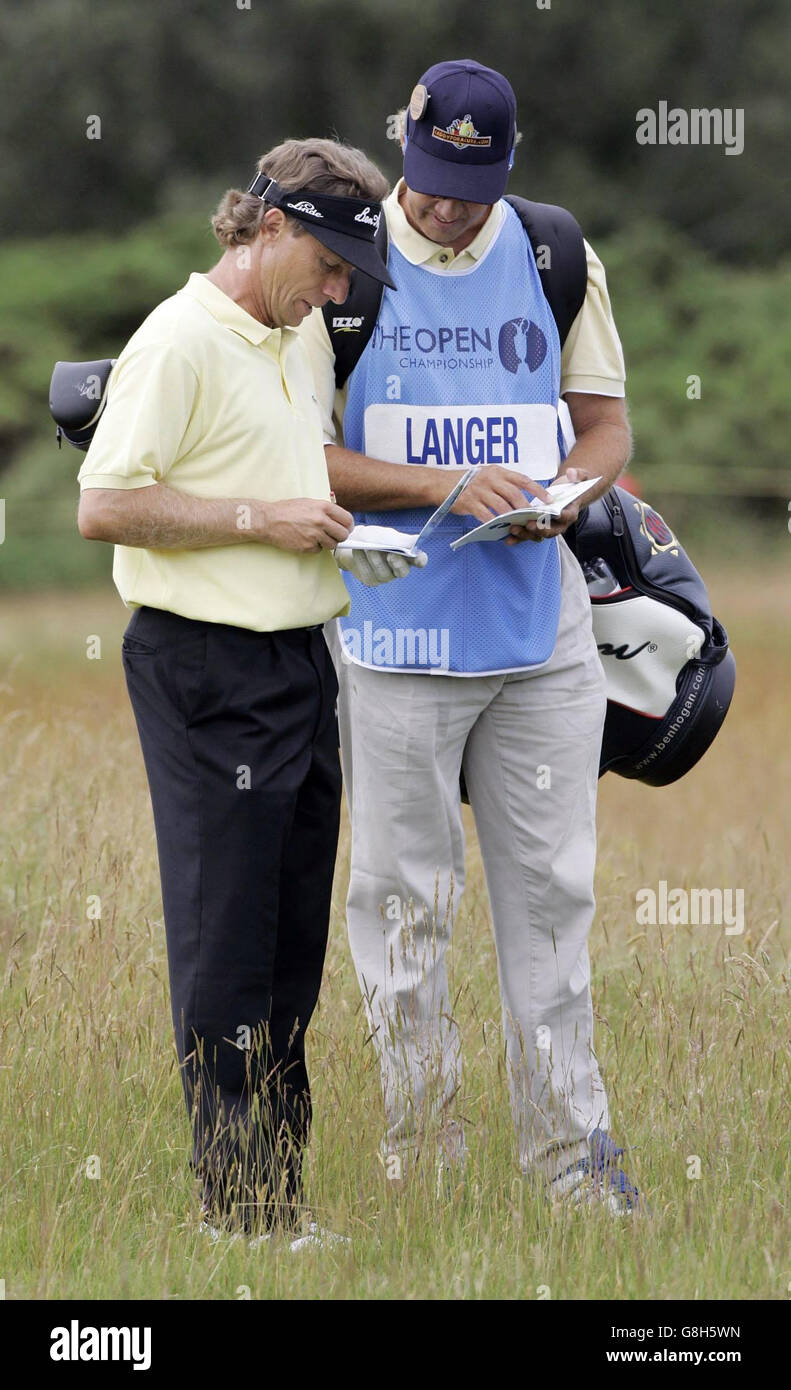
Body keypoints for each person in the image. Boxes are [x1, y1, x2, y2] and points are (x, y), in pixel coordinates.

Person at [298, 62, 642, 1211]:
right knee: (404, 911)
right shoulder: (343, 263)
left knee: (550, 898)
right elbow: (305, 456)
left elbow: (601, 426)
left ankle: (573, 1168)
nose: (448, 206)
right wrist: (448, 485)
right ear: (402, 145)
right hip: (394, 644)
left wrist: (563, 494)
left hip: (538, 641)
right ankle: (426, 1169)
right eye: (433, 181)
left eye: (473, 185)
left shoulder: (552, 255)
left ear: (507, 166)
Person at [76, 138, 414, 1244]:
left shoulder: (300, 329)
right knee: (227, 938)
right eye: (324, 264)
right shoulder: (176, 341)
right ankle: (241, 1210)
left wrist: (340, 533)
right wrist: (256, 522)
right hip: (201, 664)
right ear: (265, 225)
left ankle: (279, 1197)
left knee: (286, 944)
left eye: (346, 277)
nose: (334, 292)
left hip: (295, 660)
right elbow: (105, 505)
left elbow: (292, 459)